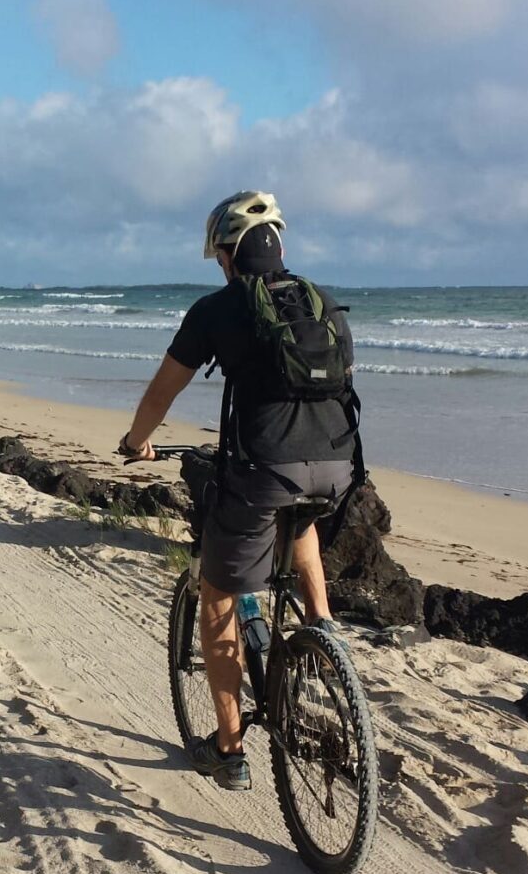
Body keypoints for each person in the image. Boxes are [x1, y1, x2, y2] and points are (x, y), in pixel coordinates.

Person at [118, 190, 358, 793]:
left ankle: (227, 749)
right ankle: (323, 630)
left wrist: (137, 440)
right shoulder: (321, 301)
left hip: (262, 472)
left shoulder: (218, 309)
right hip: (337, 466)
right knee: (298, 521)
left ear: (226, 254)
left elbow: (163, 391)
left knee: (218, 598)